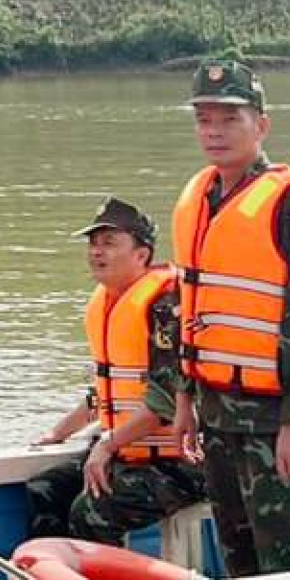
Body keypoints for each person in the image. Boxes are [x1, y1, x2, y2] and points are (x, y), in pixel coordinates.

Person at [169, 58, 290, 577]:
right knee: (240, 561)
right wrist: (184, 397)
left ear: (261, 125)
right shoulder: (201, 197)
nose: (214, 132)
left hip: (274, 421)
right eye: (204, 119)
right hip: (217, 417)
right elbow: (190, 306)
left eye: (230, 118)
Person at [26, 198, 207, 544]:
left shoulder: (166, 303)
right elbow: (106, 390)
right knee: (45, 489)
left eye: (110, 243)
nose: (97, 252)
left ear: (142, 255)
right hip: (128, 451)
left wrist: (106, 446)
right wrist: (58, 433)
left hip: (181, 464)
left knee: (92, 512)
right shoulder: (107, 301)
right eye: (93, 244)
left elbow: (165, 400)